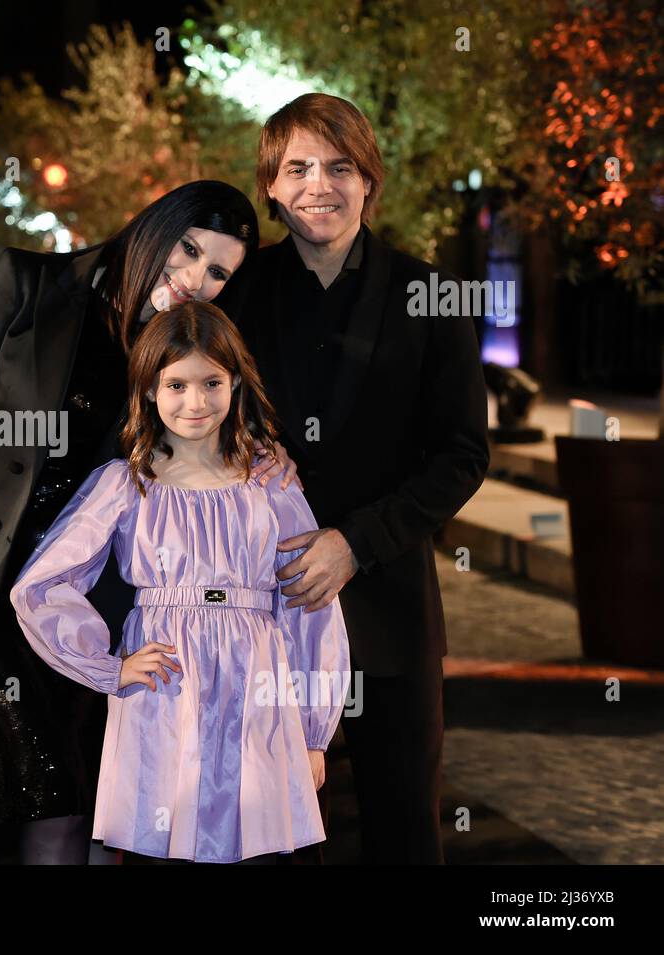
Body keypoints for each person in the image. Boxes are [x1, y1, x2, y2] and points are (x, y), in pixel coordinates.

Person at [0, 181, 302, 865]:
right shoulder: (27, 284)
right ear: (152, 226)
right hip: (3, 581)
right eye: (188, 249)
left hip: (115, 598)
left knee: (113, 807)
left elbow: (215, 426)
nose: (194, 277)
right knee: (55, 796)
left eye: (217, 271)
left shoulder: (182, 340)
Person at [216, 93, 490, 864]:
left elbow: (464, 453)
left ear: (369, 180)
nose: (318, 185)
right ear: (270, 185)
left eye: (339, 167)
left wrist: (356, 543)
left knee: (405, 835)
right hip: (259, 612)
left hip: (390, 616)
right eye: (297, 167)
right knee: (273, 840)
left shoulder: (432, 295)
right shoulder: (235, 296)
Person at [9, 300, 350, 864]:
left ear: (236, 383)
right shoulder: (124, 484)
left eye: (212, 382)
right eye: (176, 385)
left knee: (261, 847)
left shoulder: (271, 483)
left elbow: (310, 606)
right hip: (164, 693)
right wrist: (108, 665)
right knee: (164, 845)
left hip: (261, 696)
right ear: (148, 389)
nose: (196, 402)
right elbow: (42, 584)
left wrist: (313, 732)